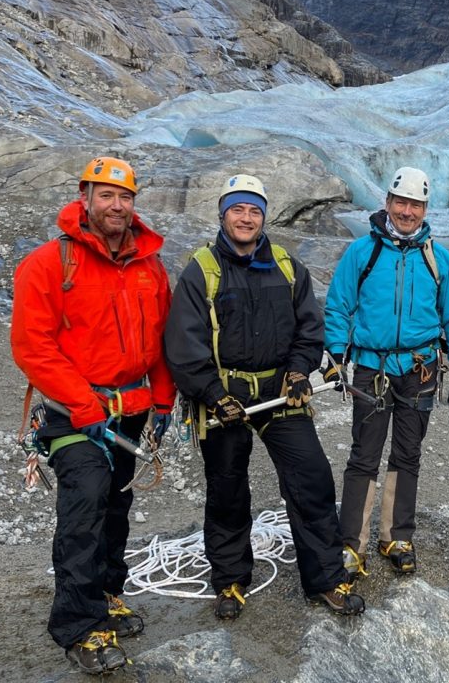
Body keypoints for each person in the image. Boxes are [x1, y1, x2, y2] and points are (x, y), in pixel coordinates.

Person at [163, 174, 364, 618]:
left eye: (254, 210)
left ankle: (326, 579)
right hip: (225, 398)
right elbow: (183, 343)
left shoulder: (288, 268)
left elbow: (309, 329)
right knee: (228, 490)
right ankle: (230, 581)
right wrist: (213, 393)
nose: (246, 218)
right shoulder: (202, 270)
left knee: (311, 480)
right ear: (223, 214)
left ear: (264, 217)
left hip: (280, 393)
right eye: (238, 209)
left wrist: (297, 372)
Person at [10, 156, 176, 675]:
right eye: (106, 195)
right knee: (84, 510)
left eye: (125, 197)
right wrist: (82, 405)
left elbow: (162, 342)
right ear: (85, 196)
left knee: (115, 508)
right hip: (71, 414)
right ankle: (78, 625)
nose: (116, 206)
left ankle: (106, 593)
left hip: (128, 412)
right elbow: (31, 346)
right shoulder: (49, 263)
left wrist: (164, 399)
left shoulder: (149, 266)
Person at [323, 166, 449, 578]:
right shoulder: (363, 252)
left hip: (421, 368)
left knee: (408, 454)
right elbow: (338, 305)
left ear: (425, 209)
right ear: (387, 202)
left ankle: (396, 535)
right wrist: (336, 355)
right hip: (372, 366)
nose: (407, 211)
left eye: (416, 204)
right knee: (364, 456)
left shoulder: (437, 258)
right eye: (401, 202)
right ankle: (351, 543)